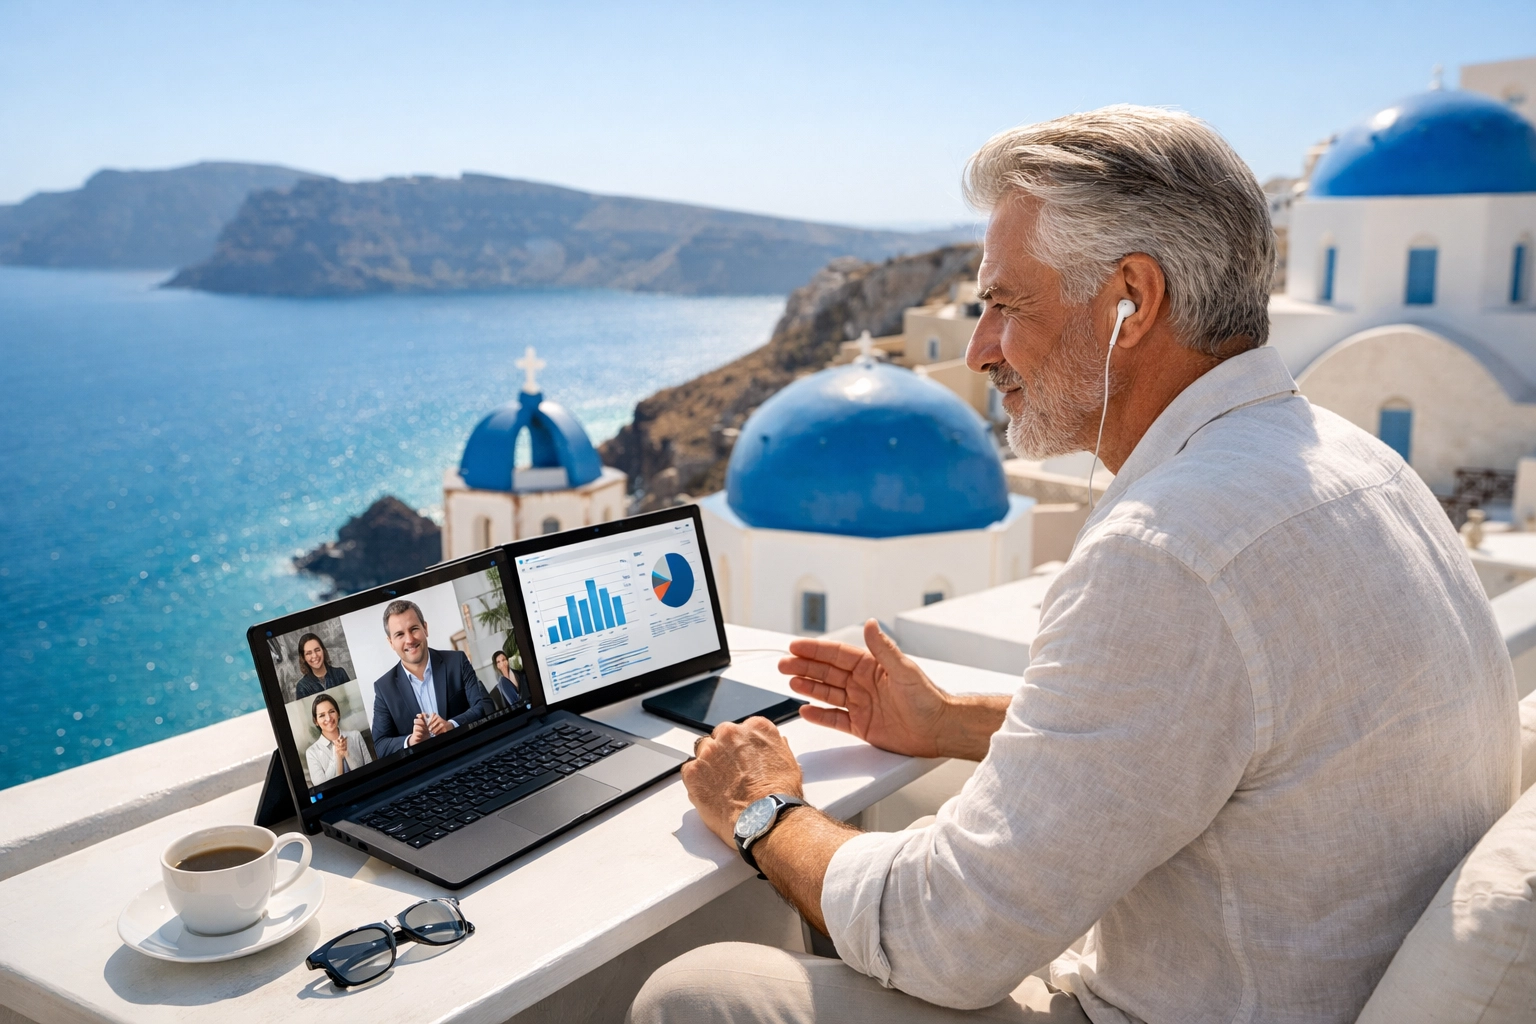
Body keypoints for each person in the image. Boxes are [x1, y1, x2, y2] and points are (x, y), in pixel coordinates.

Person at [631, 106, 1519, 1024]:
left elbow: (947, 938)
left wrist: (764, 812)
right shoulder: (1358, 466)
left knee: (698, 994)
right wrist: (951, 721)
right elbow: (1233, 727)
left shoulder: (1170, 550)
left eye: (1005, 304)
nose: (979, 349)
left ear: (1131, 299)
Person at [370, 599, 494, 757]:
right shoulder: (384, 688)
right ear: (391, 643)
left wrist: (452, 725)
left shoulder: (457, 661)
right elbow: (380, 745)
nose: (409, 640)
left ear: (425, 628)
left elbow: (485, 705)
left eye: (414, 629)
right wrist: (411, 741)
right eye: (400, 634)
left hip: (469, 754)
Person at [304, 692, 372, 785]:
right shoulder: (312, 752)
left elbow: (370, 771)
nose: (328, 718)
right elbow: (322, 787)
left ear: (338, 713)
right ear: (316, 721)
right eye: (322, 715)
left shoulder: (356, 736)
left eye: (332, 711)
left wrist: (347, 755)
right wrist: (336, 757)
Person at [293, 632, 351, 699]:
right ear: (303, 658)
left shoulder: (340, 673)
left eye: (317, 650)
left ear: (323, 651)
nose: (314, 656)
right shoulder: (302, 686)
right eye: (309, 653)